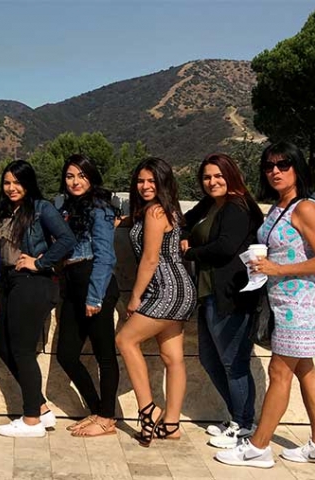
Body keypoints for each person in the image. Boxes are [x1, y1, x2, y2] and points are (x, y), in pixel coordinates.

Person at [216, 142, 315, 469]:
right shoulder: (279, 206)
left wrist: (277, 269)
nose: (275, 171)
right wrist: (266, 263)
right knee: (305, 371)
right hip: (283, 301)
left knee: (279, 372)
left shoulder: (305, 208)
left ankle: (258, 448)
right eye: (269, 166)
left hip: (301, 304)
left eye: (284, 164)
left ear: (298, 168)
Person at [180, 153, 263, 449]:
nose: (212, 181)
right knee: (209, 358)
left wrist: (191, 253)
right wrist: (188, 234)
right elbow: (183, 222)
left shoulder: (237, 206)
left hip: (230, 296)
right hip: (209, 293)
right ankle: (238, 417)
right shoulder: (211, 204)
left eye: (218, 175)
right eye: (206, 177)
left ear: (231, 175)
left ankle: (244, 425)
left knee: (233, 363)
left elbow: (226, 247)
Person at [115, 157, 195, 447]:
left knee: (125, 340)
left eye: (151, 180)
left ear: (163, 181)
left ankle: (148, 410)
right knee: (172, 358)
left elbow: (150, 259)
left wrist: (135, 297)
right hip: (182, 287)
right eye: (140, 181)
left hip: (165, 288)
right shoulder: (167, 209)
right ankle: (171, 424)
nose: (145, 186)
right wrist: (124, 220)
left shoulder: (155, 212)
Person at [0, 160, 75, 438]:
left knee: (22, 351)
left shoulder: (42, 209)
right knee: (4, 347)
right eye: (7, 182)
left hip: (33, 283)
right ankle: (40, 407)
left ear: (28, 183)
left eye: (17, 182)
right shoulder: (5, 209)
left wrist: (40, 263)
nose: (12, 187)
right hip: (10, 283)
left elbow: (66, 240)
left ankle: (31, 421)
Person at [55, 154, 121, 438]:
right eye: (70, 176)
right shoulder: (66, 207)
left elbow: (106, 256)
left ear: (91, 177)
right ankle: (97, 410)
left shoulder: (100, 209)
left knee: (105, 355)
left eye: (81, 175)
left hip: (96, 283)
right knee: (66, 355)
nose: (75, 181)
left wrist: (95, 297)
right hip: (72, 284)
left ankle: (107, 418)